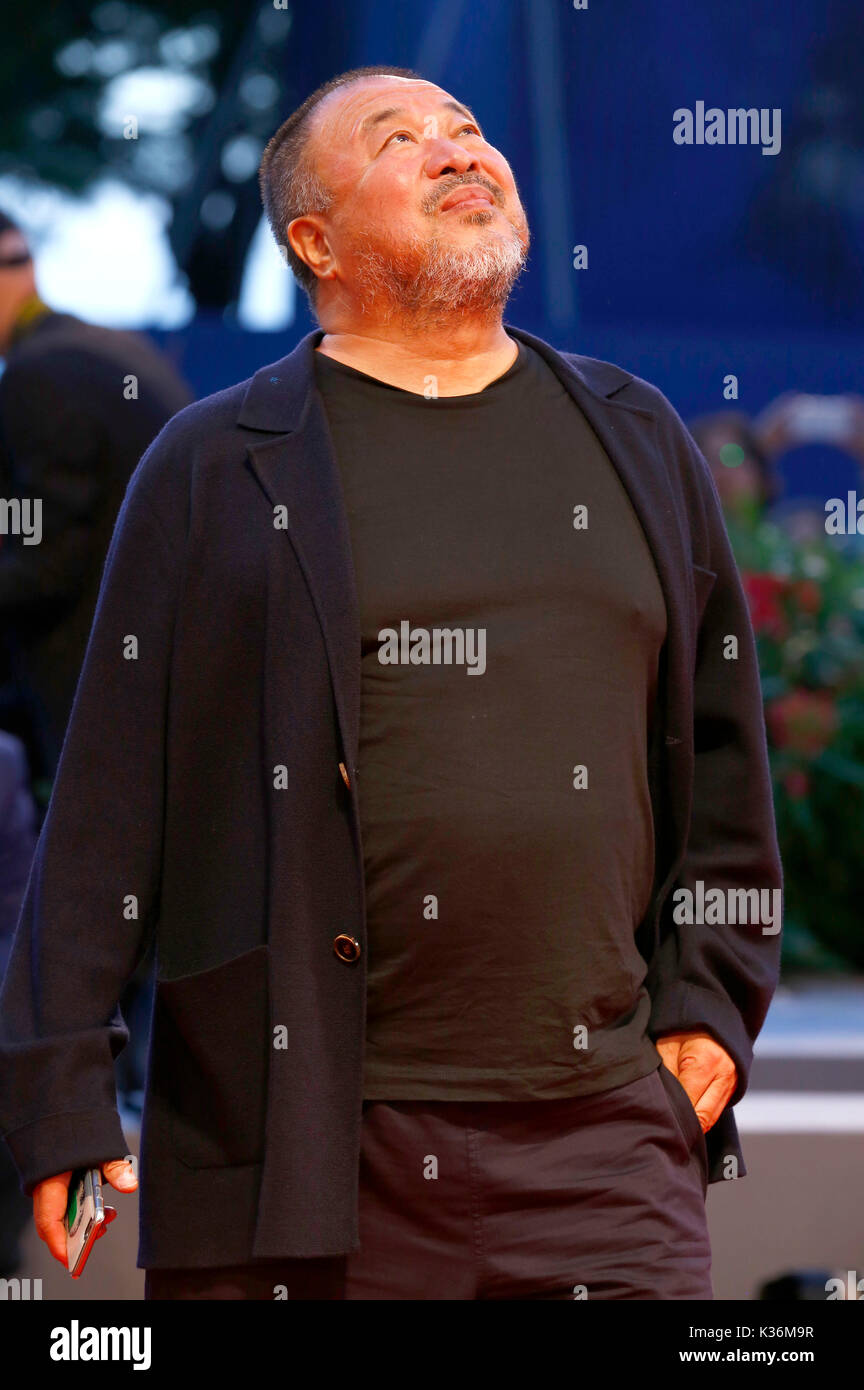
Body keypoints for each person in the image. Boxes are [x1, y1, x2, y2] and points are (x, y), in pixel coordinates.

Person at [0, 66, 782, 1301]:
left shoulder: (634, 437)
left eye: (467, 130)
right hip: (297, 1150)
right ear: (315, 239)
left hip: (605, 1149)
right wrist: (60, 1094)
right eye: (400, 138)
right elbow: (104, 807)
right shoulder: (211, 467)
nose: (457, 149)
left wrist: (709, 1004)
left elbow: (724, 764)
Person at [0, 211, 193, 789]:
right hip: (164, 676)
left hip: (101, 691)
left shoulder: (36, 378)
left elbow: (44, 562)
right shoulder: (111, 353)